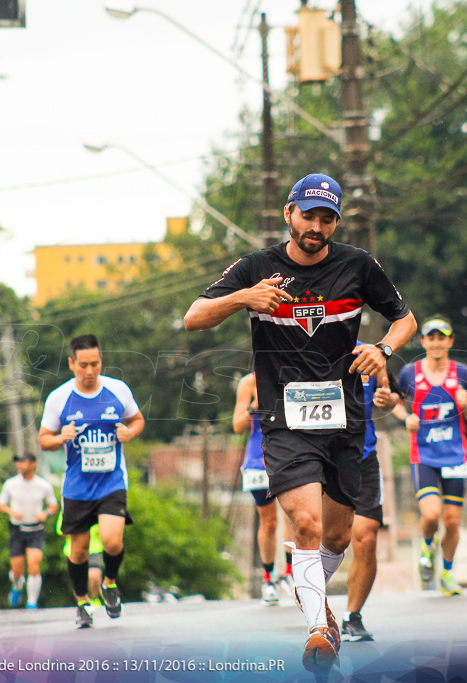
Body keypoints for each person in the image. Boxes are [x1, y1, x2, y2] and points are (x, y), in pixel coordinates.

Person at [184, 172, 416, 671]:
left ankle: (317, 603)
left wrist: (382, 348)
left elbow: (405, 318)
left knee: (337, 536)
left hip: (345, 415)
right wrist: (242, 299)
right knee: (305, 523)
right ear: (289, 213)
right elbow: (194, 316)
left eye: (326, 218)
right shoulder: (257, 267)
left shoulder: (358, 265)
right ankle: (317, 625)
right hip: (283, 415)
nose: (316, 225)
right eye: (308, 215)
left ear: (335, 222)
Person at [39, 334, 145, 629]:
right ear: (72, 363)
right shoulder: (59, 398)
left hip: (112, 480)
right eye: (83, 365)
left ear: (101, 362)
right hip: (77, 486)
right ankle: (83, 602)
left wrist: (130, 432)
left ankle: (110, 584)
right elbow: (43, 439)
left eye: (95, 364)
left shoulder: (117, 390)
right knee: (79, 551)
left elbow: (137, 420)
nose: (89, 371)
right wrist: (61, 437)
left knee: (113, 542)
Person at [391, 315, 467, 596]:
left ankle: (448, 573)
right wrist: (406, 417)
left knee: (453, 521)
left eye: (442, 337)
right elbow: (393, 402)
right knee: (431, 515)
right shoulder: (410, 373)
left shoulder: (463, 373)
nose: (437, 343)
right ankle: (427, 547)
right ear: (423, 342)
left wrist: (466, 404)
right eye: (431, 338)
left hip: (455, 455)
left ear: (450, 341)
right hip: (424, 455)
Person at [342, 367, 401, 642]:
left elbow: (392, 397)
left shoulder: (372, 356)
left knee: (366, 538)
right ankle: (317, 613)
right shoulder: (308, 348)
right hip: (320, 459)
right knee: (329, 538)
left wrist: (387, 399)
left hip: (364, 458)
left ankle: (352, 616)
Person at [232, 372, 295, 606]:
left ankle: (289, 573)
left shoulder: (293, 373)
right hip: (259, 460)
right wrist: (253, 407)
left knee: (294, 516)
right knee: (269, 522)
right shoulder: (249, 383)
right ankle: (268, 579)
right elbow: (237, 426)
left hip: (290, 456)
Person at [0, 453, 58, 609]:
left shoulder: (43, 485)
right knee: (17, 570)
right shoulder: (10, 484)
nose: (19, 465)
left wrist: (46, 514)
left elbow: (53, 505)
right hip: (17, 528)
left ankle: (32, 602)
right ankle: (17, 586)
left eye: (23, 462)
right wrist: (11, 512)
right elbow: (1, 504)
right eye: (18, 462)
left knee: (34, 564)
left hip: (36, 528)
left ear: (32, 464)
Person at [60, 517, 104, 609]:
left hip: (93, 549)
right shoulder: (71, 505)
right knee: (78, 578)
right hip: (74, 550)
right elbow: (62, 531)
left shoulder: (95, 505)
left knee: (94, 575)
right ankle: (83, 602)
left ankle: (94, 598)